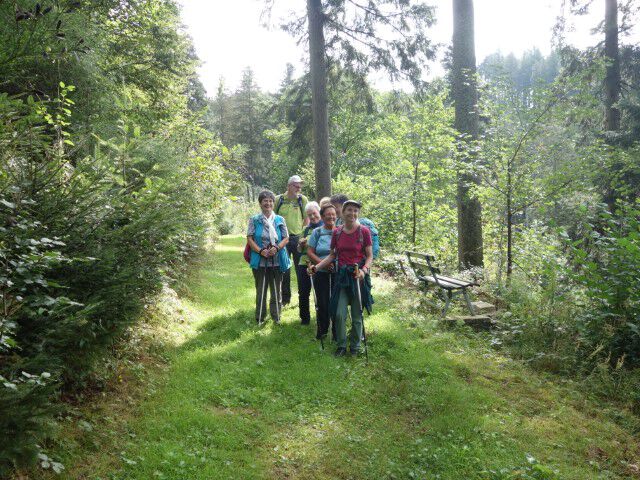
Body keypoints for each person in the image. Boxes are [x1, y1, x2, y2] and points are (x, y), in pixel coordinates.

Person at [310, 200, 374, 357]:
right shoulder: (337, 233)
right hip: (342, 278)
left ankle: (355, 347)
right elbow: (332, 255)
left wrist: (364, 271)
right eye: (349, 210)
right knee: (339, 313)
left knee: (357, 315)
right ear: (343, 212)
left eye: (355, 211)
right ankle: (341, 345)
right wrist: (317, 267)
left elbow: (370, 256)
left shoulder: (364, 231)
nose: (352, 213)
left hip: (358, 277)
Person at [247, 190, 290, 324]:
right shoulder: (254, 220)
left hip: (277, 260)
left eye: (270, 201)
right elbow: (250, 239)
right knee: (261, 290)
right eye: (265, 201)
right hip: (260, 260)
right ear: (260, 203)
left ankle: (276, 317)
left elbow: (286, 238)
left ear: (273, 203)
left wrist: (276, 248)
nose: (268, 203)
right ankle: (260, 317)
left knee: (276, 290)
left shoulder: (280, 219)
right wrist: (261, 251)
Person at [275, 175, 309, 305]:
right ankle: (285, 299)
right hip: (282, 240)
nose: (299, 188)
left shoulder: (302, 199)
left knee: (301, 269)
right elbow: (272, 218)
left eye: (300, 186)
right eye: (296, 186)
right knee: (284, 269)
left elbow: (306, 218)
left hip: (298, 239)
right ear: (289, 186)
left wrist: (303, 235)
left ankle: (302, 298)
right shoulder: (279, 199)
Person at [307, 203, 338, 341]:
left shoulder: (341, 231)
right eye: (328, 215)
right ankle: (322, 331)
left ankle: (337, 332)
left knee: (337, 302)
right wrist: (323, 264)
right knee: (322, 302)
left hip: (338, 271)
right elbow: (310, 252)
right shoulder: (317, 232)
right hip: (320, 272)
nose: (331, 217)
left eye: (333, 214)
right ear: (322, 217)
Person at [330, 193, 381, 258]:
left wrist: (366, 262)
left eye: (335, 207)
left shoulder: (365, 224)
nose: (332, 210)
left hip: (361, 262)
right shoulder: (337, 223)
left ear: (343, 207)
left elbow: (373, 250)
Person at [296, 201, 322, 325]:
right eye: (309, 215)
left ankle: (322, 318)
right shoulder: (305, 229)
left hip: (319, 263)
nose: (312, 216)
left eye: (314, 213)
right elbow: (298, 250)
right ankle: (304, 319)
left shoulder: (326, 227)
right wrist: (301, 245)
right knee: (303, 291)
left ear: (319, 212)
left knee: (320, 292)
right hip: (304, 263)